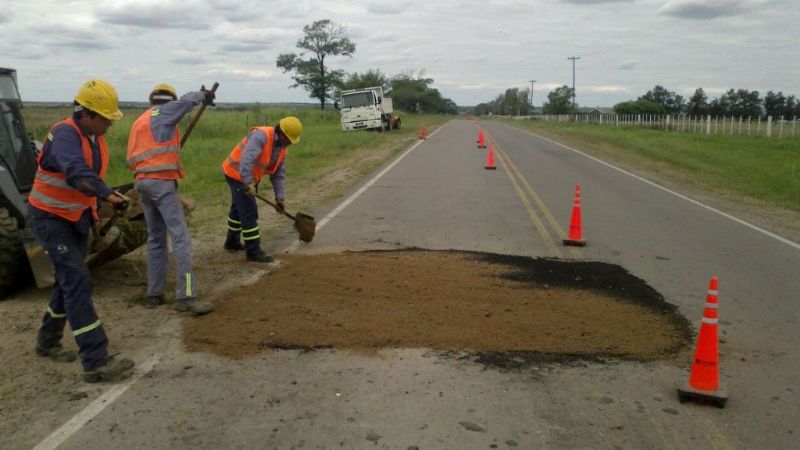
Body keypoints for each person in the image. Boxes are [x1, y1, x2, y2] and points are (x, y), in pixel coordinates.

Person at [29, 79, 134, 383]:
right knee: (77, 281)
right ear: (86, 113)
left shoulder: (93, 137)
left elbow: (84, 183)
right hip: (50, 219)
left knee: (67, 282)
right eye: (105, 119)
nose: (109, 126)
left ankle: (47, 342)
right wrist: (109, 195)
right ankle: (95, 360)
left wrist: (94, 215)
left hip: (75, 218)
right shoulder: (64, 134)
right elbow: (75, 171)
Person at [126, 83, 215, 313]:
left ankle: (154, 294)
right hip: (161, 182)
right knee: (180, 238)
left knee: (156, 238)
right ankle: (185, 297)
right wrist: (203, 95)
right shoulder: (164, 112)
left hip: (142, 183)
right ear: (168, 101)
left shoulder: (140, 121)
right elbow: (186, 102)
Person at [221, 116, 302, 262]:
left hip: (249, 178)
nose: (290, 143)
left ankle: (231, 243)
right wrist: (248, 182)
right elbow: (246, 159)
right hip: (236, 174)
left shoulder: (282, 149)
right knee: (249, 212)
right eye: (289, 140)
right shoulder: (261, 136)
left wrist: (280, 198)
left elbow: (278, 175)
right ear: (282, 134)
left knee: (238, 209)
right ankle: (253, 251)